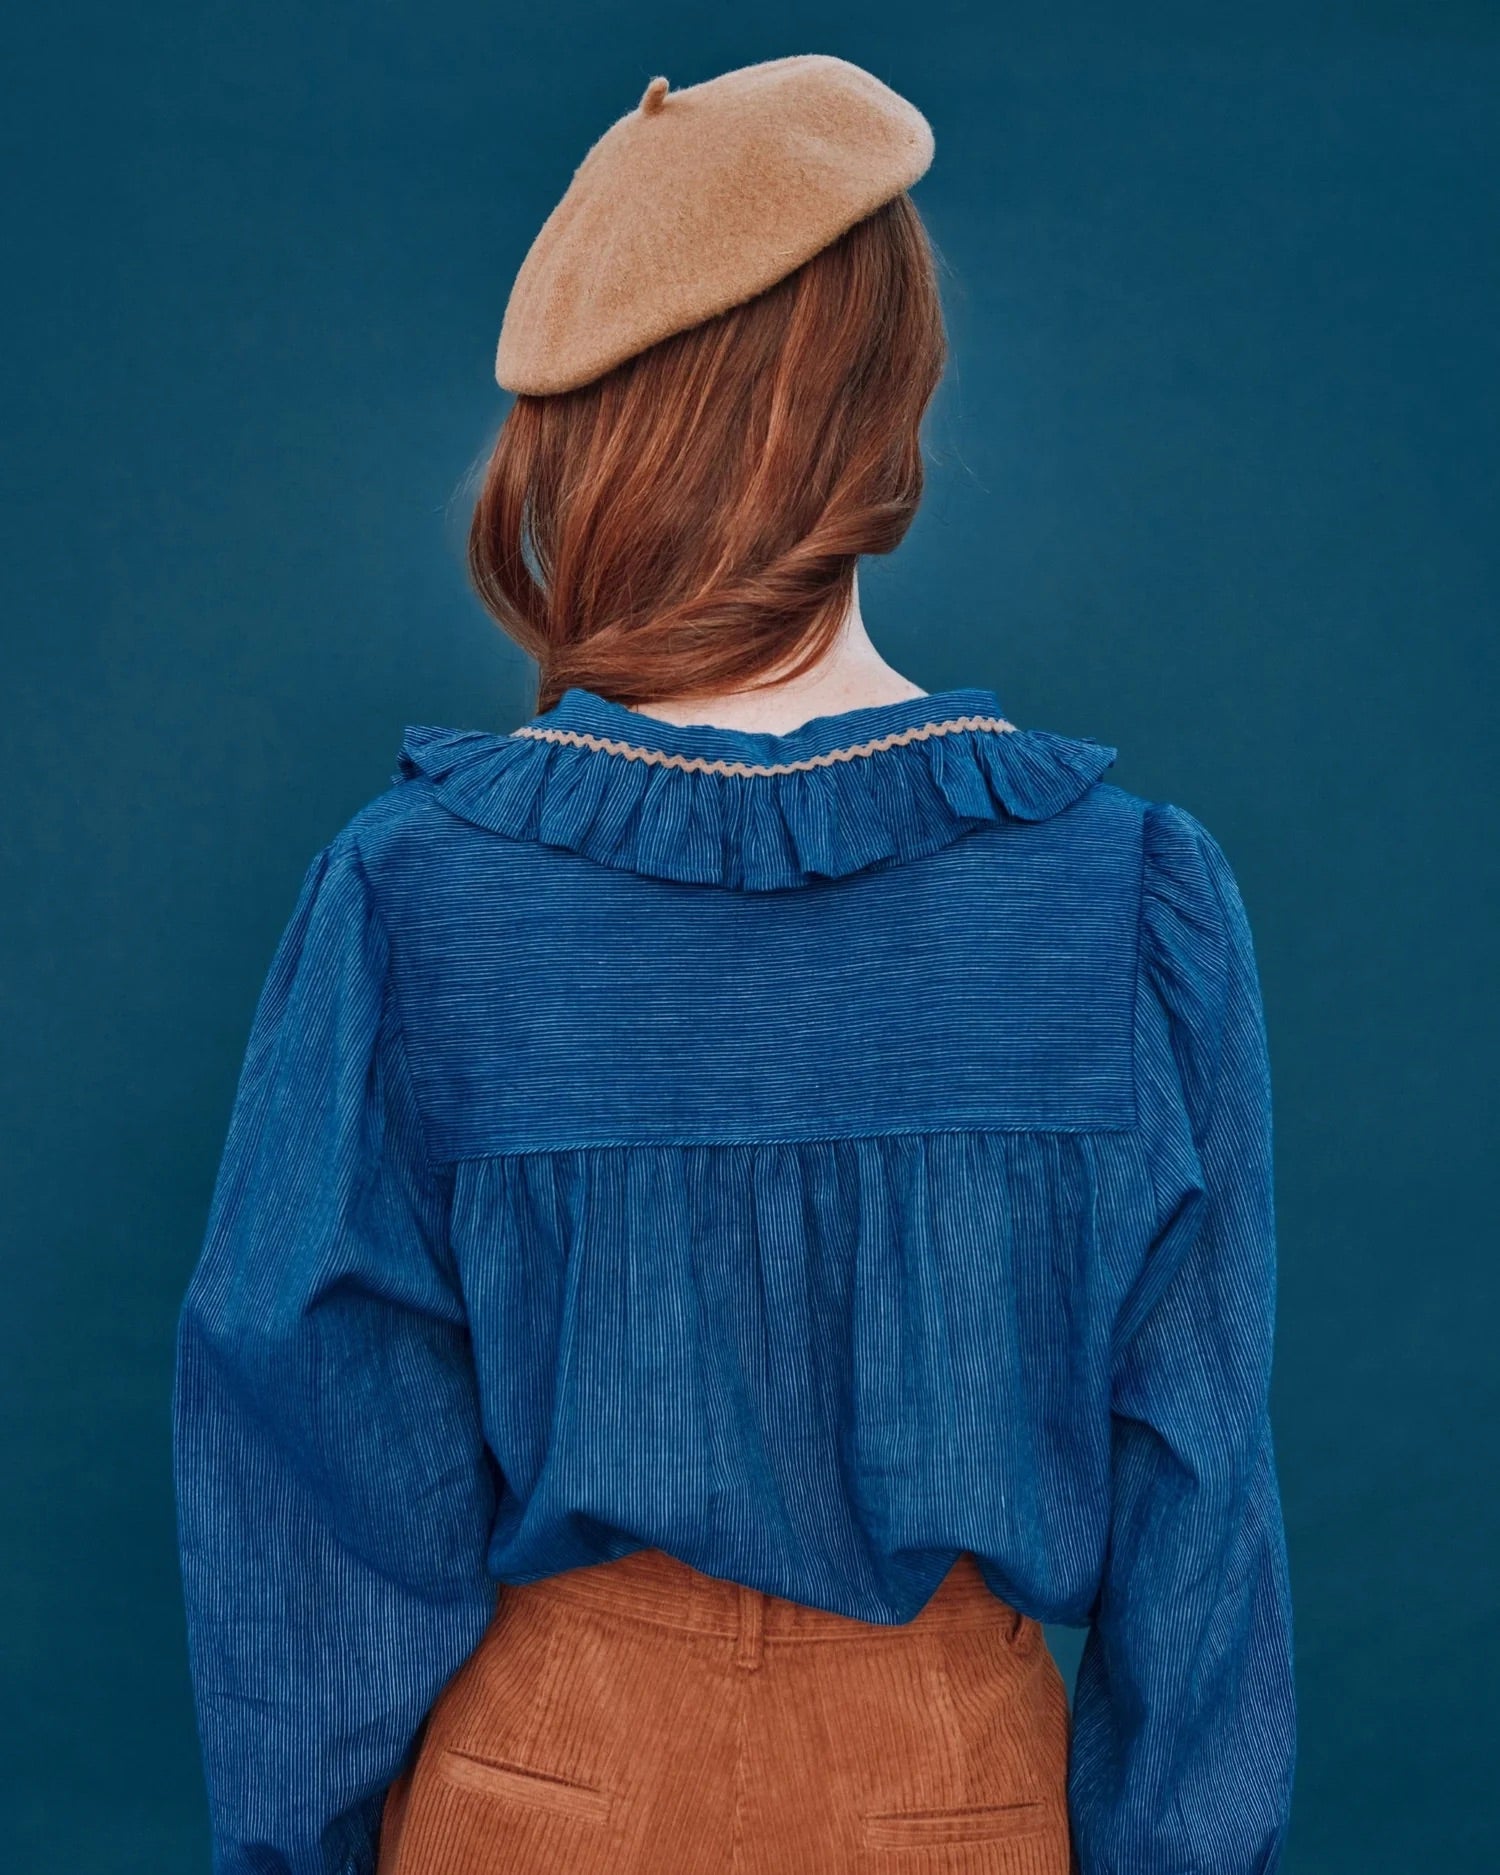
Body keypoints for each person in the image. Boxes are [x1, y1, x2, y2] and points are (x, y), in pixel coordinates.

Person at [171, 53, 1296, 1875]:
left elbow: (311, 1489)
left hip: (543, 1799)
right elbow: (1203, 1511)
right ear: (894, 401)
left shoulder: (409, 900)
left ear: (576, 432)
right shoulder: (1132, 901)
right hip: (956, 1798)